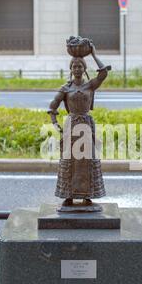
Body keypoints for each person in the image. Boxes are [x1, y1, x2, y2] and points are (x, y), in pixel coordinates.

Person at [47, 43, 108, 208]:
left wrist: (94, 54)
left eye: (80, 66)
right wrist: (55, 124)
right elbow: (52, 107)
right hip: (71, 125)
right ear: (71, 69)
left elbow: (103, 73)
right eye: (74, 66)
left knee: (87, 160)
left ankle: (88, 195)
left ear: (84, 68)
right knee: (69, 160)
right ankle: (68, 195)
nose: (77, 69)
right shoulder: (66, 88)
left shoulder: (90, 85)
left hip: (87, 126)